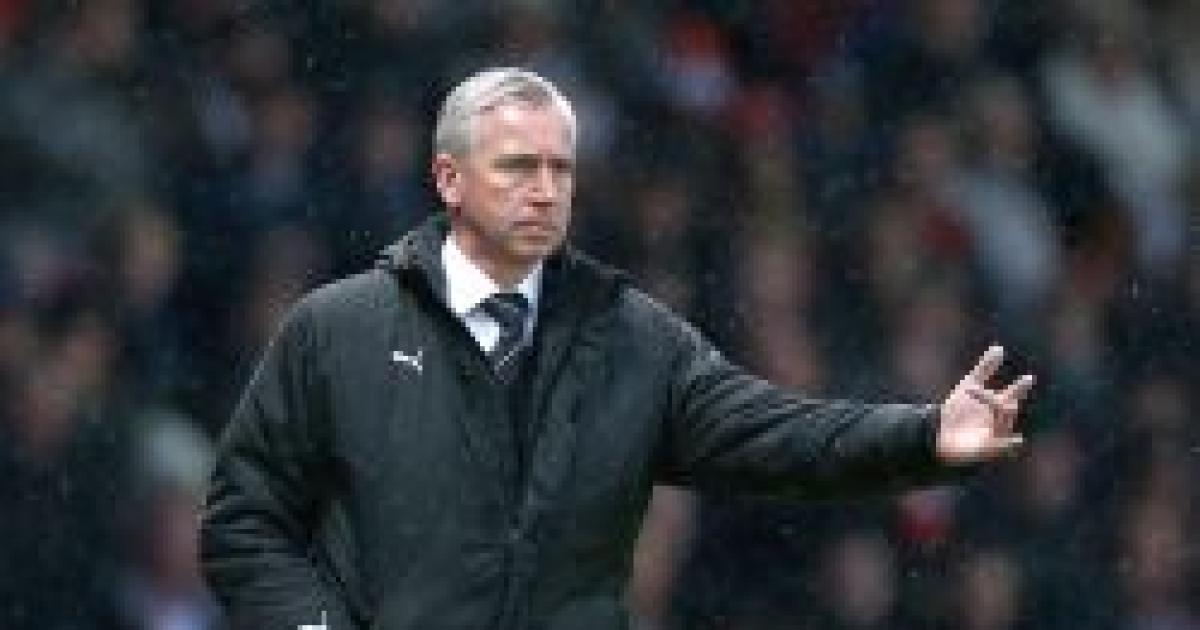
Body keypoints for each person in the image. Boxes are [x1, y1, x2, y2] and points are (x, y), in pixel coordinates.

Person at [200, 67, 1035, 630]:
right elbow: (244, 521)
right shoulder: (337, 330)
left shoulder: (634, 339)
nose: (544, 191)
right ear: (448, 178)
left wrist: (925, 435)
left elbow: (781, 434)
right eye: (517, 167)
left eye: (560, 170)